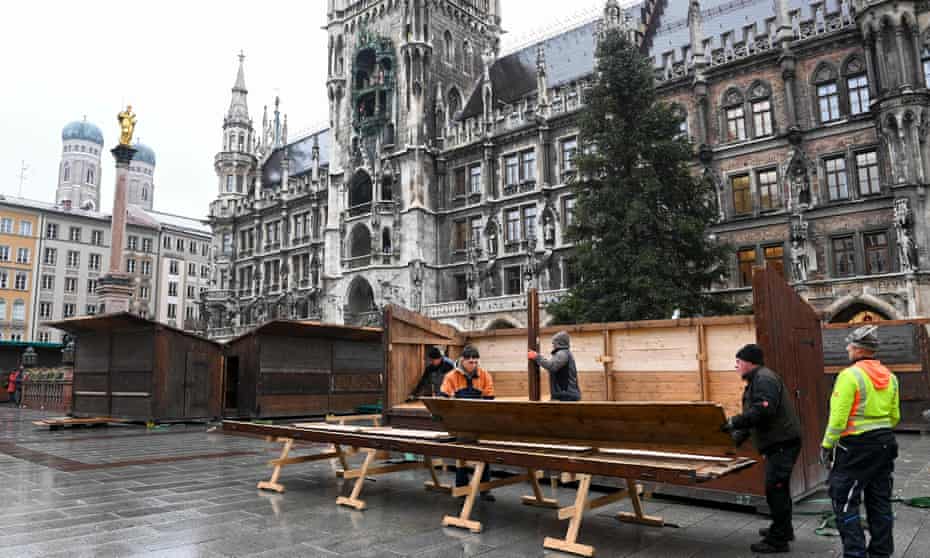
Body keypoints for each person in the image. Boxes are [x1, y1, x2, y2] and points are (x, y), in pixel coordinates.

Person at [822, 325, 899, 558]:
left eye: (849, 345)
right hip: (885, 443)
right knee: (880, 500)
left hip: (856, 448)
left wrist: (827, 445)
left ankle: (855, 554)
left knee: (844, 501)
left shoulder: (849, 376)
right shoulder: (890, 376)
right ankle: (881, 552)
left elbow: (838, 417)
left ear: (857, 350)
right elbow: (895, 416)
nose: (847, 348)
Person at [721, 344, 801, 554]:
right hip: (779, 442)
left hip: (782, 443)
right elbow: (754, 416)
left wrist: (734, 422)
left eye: (738, 362)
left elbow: (763, 411)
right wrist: (736, 437)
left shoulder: (764, 379)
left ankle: (778, 540)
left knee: (775, 489)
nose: (736, 366)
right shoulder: (757, 379)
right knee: (779, 488)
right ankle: (783, 528)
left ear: (749, 362)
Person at [440, 345, 496, 501]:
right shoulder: (451, 376)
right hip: (460, 422)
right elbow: (443, 397)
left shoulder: (485, 376)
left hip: (480, 420)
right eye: (469, 360)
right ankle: (461, 487)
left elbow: (490, 398)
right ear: (462, 360)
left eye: (475, 360)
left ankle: (485, 489)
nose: (473, 362)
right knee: (461, 454)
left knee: (484, 453)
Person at [527, 331, 581, 401]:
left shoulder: (562, 354)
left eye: (554, 343)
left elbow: (552, 366)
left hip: (566, 396)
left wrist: (536, 356)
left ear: (559, 342)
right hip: (565, 395)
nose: (553, 345)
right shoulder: (564, 353)